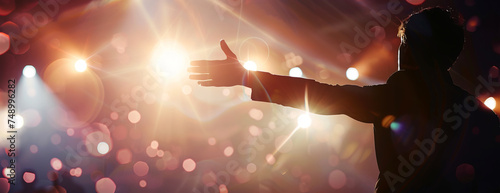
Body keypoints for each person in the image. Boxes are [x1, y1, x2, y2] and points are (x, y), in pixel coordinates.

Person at [188, 7, 500, 193]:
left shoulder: (401, 95)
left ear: (413, 47)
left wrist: (247, 78)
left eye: (403, 41)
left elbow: (327, 95)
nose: (399, 50)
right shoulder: (482, 118)